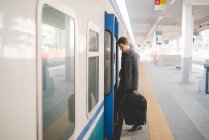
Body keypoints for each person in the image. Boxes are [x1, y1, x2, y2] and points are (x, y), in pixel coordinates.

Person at [114, 37, 141, 140]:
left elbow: (136, 72)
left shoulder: (133, 55)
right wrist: (121, 73)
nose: (120, 49)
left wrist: (135, 88)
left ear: (125, 44)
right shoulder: (124, 54)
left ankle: (117, 135)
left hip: (129, 87)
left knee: (123, 108)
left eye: (121, 47)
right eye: (119, 47)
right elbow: (123, 68)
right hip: (123, 84)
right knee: (122, 106)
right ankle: (136, 124)